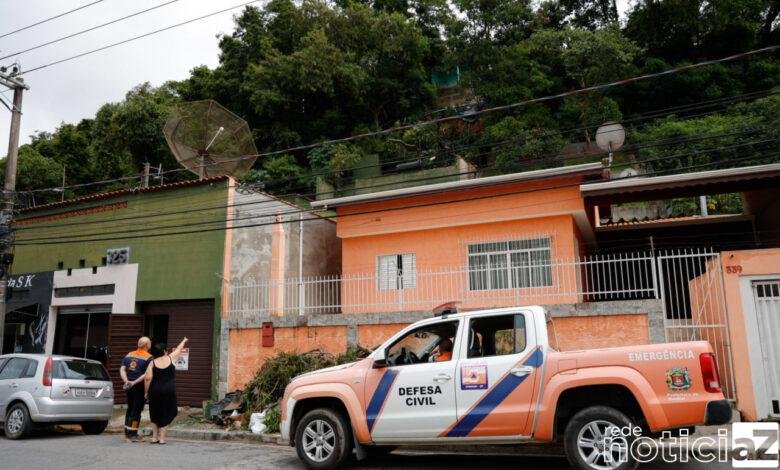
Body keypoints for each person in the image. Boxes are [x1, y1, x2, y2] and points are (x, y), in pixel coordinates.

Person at [144, 337, 188, 444]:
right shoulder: (171, 358)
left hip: (155, 390)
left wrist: (146, 392)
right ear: (164, 351)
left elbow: (147, 378)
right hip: (169, 390)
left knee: (154, 412)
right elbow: (179, 349)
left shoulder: (152, 363)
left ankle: (154, 437)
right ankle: (162, 438)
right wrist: (184, 341)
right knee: (168, 411)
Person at [120, 336, 152, 442]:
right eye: (149, 342)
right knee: (137, 410)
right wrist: (134, 382)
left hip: (128, 386)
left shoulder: (129, 354)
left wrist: (126, 381)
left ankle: (126, 433)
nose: (150, 344)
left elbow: (122, 369)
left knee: (130, 408)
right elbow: (147, 374)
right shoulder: (149, 357)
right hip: (139, 387)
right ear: (147, 345)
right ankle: (132, 434)